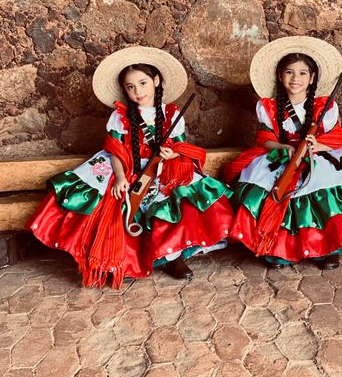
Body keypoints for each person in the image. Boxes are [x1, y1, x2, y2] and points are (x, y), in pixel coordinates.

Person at [27, 46, 233, 288]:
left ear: (156, 80)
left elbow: (180, 146)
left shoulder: (171, 113)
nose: (138, 91)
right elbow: (114, 150)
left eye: (143, 83)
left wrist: (171, 154)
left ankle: (173, 256)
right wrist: (121, 176)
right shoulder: (120, 115)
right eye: (130, 87)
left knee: (175, 199)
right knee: (115, 203)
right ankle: (120, 260)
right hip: (125, 166)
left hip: (161, 167)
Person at [224, 36, 342, 270]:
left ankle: (329, 247)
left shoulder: (324, 106)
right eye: (289, 72)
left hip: (319, 156)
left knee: (324, 191)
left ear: (312, 78)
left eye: (303, 73)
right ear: (279, 75)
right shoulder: (268, 106)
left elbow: (335, 137)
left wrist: (318, 145)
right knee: (274, 191)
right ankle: (279, 248)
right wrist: (282, 148)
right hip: (283, 156)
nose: (296, 79)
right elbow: (265, 138)